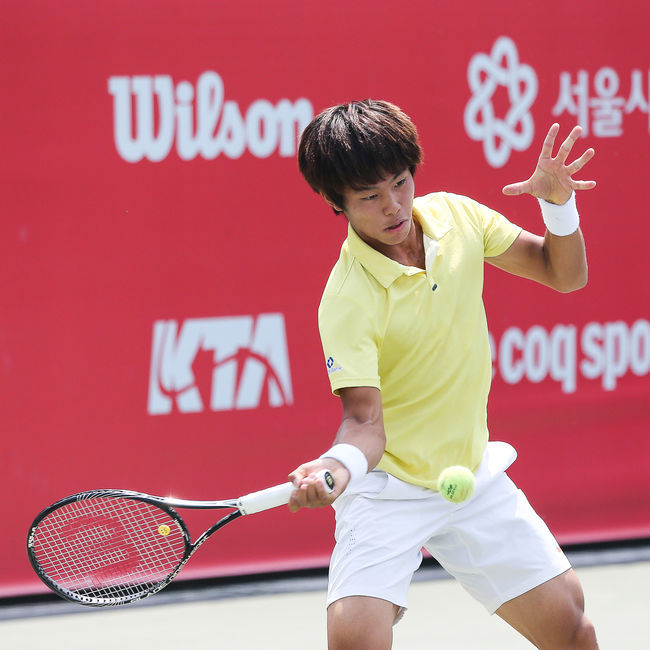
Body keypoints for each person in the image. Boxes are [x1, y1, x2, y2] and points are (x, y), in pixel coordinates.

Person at [287, 99, 599, 649]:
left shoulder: (458, 218)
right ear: (336, 202)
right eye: (369, 197)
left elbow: (564, 274)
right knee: (354, 641)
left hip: (469, 472)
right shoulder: (347, 299)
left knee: (572, 630)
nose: (393, 206)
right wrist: (335, 469)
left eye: (400, 183)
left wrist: (559, 206)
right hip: (389, 489)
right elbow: (364, 423)